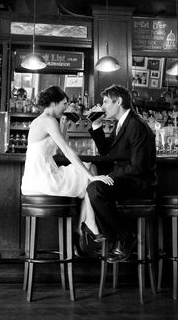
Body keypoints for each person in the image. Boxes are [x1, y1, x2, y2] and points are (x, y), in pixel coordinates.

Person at [21, 86, 114, 254]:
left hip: (36, 178)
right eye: (64, 104)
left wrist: (64, 125)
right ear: (54, 103)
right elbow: (66, 150)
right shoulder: (48, 120)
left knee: (90, 170)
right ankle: (87, 224)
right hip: (45, 178)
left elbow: (55, 149)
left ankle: (84, 226)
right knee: (91, 170)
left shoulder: (43, 120)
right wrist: (90, 177)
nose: (66, 107)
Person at [87, 84, 157, 263]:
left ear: (118, 102)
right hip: (126, 180)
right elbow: (105, 150)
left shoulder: (136, 125)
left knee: (96, 189)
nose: (102, 106)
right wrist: (96, 125)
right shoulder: (122, 123)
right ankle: (117, 237)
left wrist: (111, 177)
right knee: (93, 188)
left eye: (105, 102)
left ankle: (122, 237)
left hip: (138, 183)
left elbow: (139, 166)